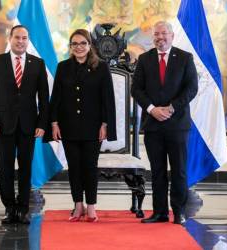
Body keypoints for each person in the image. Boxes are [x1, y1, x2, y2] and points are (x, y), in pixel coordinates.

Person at [131, 21, 198, 225]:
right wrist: (152, 109)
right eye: (156, 34)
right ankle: (159, 212)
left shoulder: (185, 58)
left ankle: (179, 212)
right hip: (153, 125)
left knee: (179, 170)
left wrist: (171, 108)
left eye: (164, 34)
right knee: (157, 171)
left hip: (177, 124)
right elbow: (136, 90)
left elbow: (191, 88)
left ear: (172, 36)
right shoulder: (144, 59)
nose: (160, 37)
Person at [47, 29, 116, 222]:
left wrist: (105, 124)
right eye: (75, 44)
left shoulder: (101, 67)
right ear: (70, 47)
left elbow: (107, 99)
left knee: (89, 167)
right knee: (74, 168)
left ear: (89, 45)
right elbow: (56, 99)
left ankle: (91, 206)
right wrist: (54, 123)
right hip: (68, 126)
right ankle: (78, 205)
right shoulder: (63, 67)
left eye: (83, 43)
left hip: (93, 127)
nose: (79, 47)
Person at [0, 25, 49, 224]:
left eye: (24, 38)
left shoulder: (37, 63)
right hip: (2, 126)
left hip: (29, 126)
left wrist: (42, 124)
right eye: (17, 37)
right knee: (5, 168)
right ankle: (9, 208)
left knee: (26, 168)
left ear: (28, 40)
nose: (21, 41)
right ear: (10, 39)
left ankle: (22, 209)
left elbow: (44, 98)